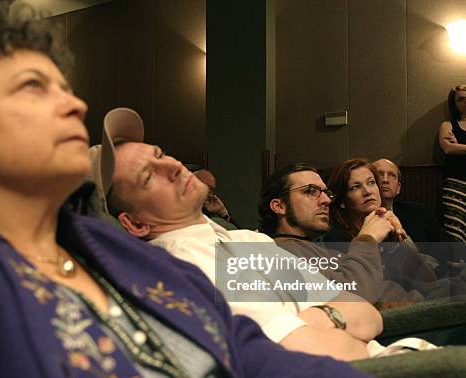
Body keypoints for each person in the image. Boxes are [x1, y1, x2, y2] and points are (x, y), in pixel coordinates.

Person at [0, 2, 389, 378]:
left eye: (66, 87)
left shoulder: (101, 242)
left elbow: (238, 344)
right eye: (33, 88)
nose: (76, 104)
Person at [91, 108, 386, 362]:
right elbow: (320, 355)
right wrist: (338, 320)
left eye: (161, 154)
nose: (173, 165)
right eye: (148, 176)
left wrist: (321, 317)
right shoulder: (186, 266)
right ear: (136, 224)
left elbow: (367, 313)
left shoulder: (247, 239)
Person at [257, 163, 423, 307]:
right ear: (279, 206)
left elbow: (424, 279)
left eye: (326, 193)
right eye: (311, 191)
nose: (326, 200)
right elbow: (353, 302)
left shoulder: (314, 248)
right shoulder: (282, 253)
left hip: (420, 301)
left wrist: (395, 244)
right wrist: (367, 239)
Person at [324, 158, 466, 298]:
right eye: (355, 187)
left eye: (371, 183)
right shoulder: (337, 238)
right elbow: (359, 290)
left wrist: (399, 243)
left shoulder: (391, 225)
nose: (367, 191)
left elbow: (428, 281)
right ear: (342, 201)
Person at [372, 158, 460, 265]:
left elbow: (449, 245)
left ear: (398, 188)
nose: (385, 180)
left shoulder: (418, 212)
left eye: (392, 175)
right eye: (379, 174)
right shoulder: (361, 219)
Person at [438, 85, 466, 243]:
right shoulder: (448, 125)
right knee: (455, 229)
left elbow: (455, 148)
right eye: (461, 99)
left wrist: (460, 146)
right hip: (455, 184)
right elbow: (448, 149)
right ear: (454, 103)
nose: (465, 102)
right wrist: (454, 147)